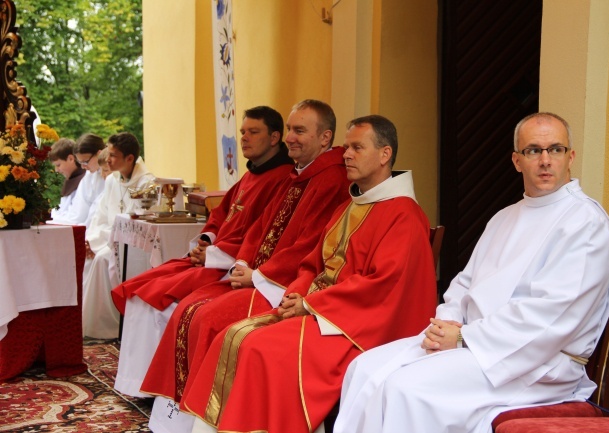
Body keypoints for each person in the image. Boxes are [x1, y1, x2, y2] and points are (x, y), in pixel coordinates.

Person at [331, 112, 609, 433]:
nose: (545, 160)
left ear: (570, 157)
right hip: (474, 344)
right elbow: (465, 283)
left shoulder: (585, 223)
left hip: (533, 363)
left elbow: (552, 316)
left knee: (406, 388)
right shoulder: (505, 217)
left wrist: (463, 338)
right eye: (533, 150)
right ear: (517, 161)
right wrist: (446, 323)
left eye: (555, 149)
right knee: (362, 369)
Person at [178, 114, 438, 433]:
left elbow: (382, 288)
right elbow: (313, 263)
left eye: (357, 147)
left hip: (356, 329)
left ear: (385, 155)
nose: (346, 154)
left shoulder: (404, 215)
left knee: (261, 349)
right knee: (231, 336)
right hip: (322, 313)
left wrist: (312, 305)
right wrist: (298, 292)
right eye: (347, 147)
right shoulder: (352, 205)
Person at [140, 99, 351, 433]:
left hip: (284, 285)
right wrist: (242, 261)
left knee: (209, 319)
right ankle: (174, 423)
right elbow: (260, 229)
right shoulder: (296, 176)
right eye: (291, 130)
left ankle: (214, 422)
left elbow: (312, 245)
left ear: (325, 138)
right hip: (259, 276)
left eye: (300, 130)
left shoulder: (331, 180)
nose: (290, 138)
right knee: (189, 310)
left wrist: (259, 275)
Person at [111, 106, 295, 397]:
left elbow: (261, 236)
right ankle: (136, 384)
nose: (244, 138)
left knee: (156, 300)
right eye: (242, 131)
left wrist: (213, 254)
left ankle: (151, 388)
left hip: (232, 266)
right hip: (216, 257)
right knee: (141, 290)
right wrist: (207, 240)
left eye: (253, 132)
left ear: (274, 137)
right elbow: (222, 214)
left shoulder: (283, 179)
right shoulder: (251, 175)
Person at [83, 132, 155, 339]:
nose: (108, 159)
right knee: (90, 258)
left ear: (130, 158)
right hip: (110, 239)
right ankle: (94, 325)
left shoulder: (147, 184)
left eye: (113, 155)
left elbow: (138, 225)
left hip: (133, 244)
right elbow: (101, 215)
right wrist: (91, 241)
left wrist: (100, 244)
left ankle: (108, 327)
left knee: (100, 260)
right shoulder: (112, 180)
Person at [48, 133, 106, 226]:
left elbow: (79, 216)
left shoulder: (113, 175)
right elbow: (78, 212)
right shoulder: (88, 176)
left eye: (85, 162)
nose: (83, 166)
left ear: (99, 154)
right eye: (80, 162)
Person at [48, 138, 86, 223]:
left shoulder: (85, 181)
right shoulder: (72, 179)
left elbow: (76, 216)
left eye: (58, 165)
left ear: (71, 159)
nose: (56, 170)